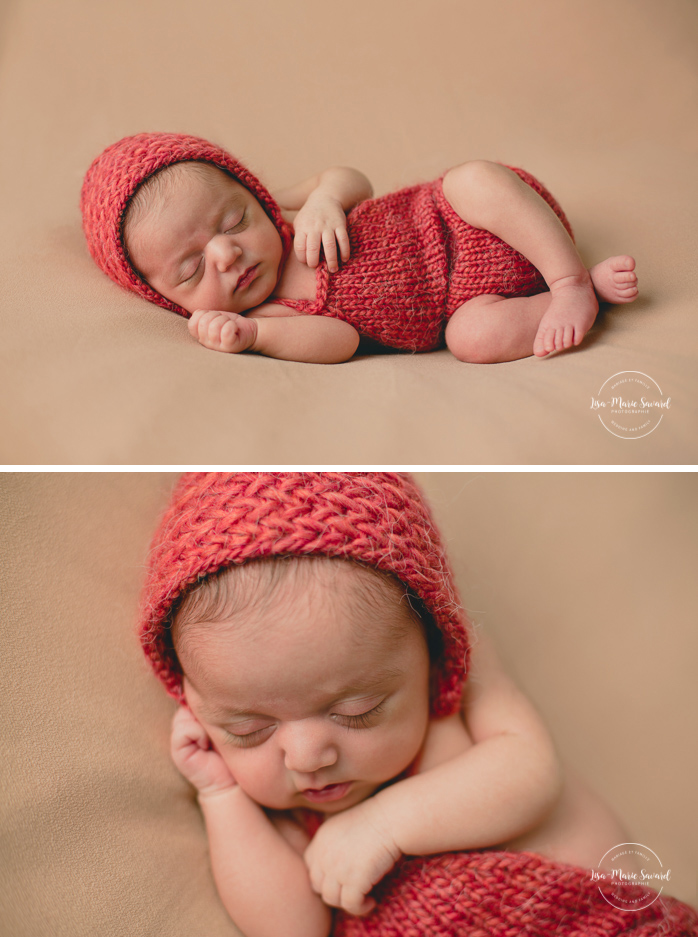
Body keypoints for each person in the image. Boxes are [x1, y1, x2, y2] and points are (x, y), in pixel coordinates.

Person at [139, 472, 629, 937]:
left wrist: (383, 826)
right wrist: (220, 796)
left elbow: (532, 775)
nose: (308, 758)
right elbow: (292, 928)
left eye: (357, 710)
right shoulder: (285, 812)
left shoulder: (457, 695)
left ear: (436, 649)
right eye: (248, 730)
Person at [81, 133, 638, 364]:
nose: (226, 254)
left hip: (465, 221)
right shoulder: (270, 313)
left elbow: (351, 177)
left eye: (233, 221)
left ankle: (565, 278)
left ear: (253, 194)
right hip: (461, 304)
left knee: (472, 177)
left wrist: (325, 198)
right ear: (166, 301)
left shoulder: (286, 219)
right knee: (472, 342)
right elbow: (341, 341)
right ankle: (582, 292)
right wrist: (254, 336)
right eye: (191, 268)